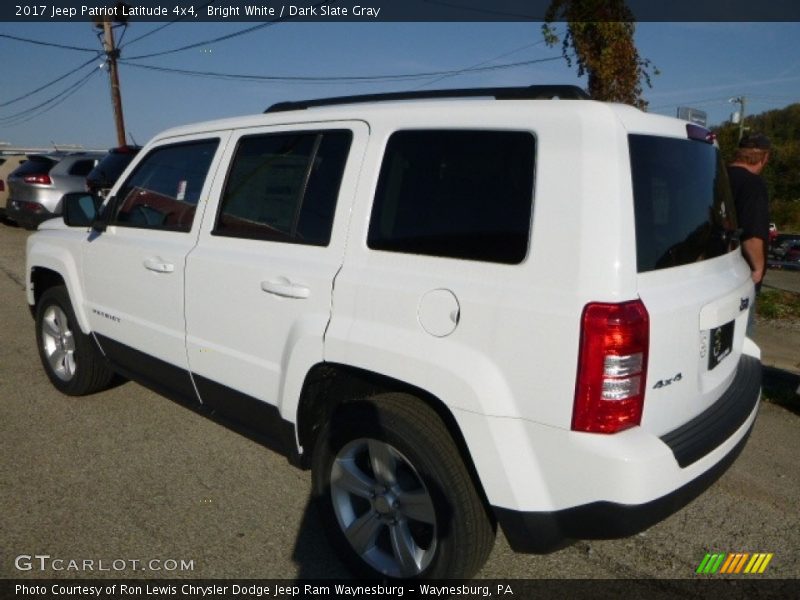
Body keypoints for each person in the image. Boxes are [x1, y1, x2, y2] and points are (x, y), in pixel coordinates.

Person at [727, 133, 771, 290]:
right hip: (741, 270)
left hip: (716, 264)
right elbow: (752, 234)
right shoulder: (753, 185)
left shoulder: (720, 177)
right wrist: (758, 268)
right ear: (764, 157)